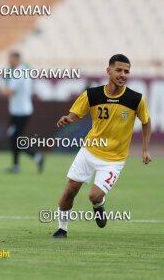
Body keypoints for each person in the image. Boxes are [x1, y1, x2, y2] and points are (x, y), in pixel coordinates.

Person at [52, 54, 151, 238]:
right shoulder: (92, 94)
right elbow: (75, 114)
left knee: (94, 196)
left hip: (114, 159)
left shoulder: (135, 99)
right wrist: (68, 119)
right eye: (119, 70)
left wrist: (145, 149)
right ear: (108, 71)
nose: (123, 74)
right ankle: (61, 229)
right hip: (89, 151)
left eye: (126, 71)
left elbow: (146, 121)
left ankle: (98, 206)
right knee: (69, 192)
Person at [0, 51, 44, 173]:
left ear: (16, 59)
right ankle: (17, 165)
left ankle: (36, 156)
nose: (9, 62)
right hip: (21, 110)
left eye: (10, 59)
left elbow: (9, 92)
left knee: (15, 138)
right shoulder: (23, 71)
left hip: (20, 112)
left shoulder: (18, 73)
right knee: (16, 137)